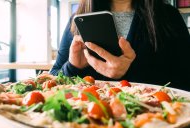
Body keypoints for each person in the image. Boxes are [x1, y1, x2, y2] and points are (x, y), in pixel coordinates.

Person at [50, 0, 190, 91]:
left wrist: (129, 72)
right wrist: (73, 67)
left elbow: (185, 80)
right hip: (86, 126)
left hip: (152, 124)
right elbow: (53, 80)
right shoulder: (77, 20)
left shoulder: (169, 17)